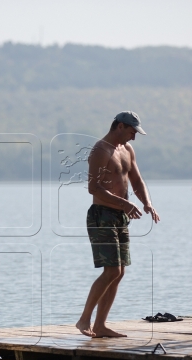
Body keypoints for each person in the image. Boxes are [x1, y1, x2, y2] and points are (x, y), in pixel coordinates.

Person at [75, 111, 160, 338]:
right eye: (132, 132)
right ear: (120, 126)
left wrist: (147, 204)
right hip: (101, 215)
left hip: (120, 215)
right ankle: (84, 320)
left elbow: (137, 181)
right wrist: (125, 204)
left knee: (119, 272)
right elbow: (94, 189)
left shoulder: (127, 150)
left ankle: (100, 325)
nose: (133, 138)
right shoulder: (100, 151)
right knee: (111, 269)